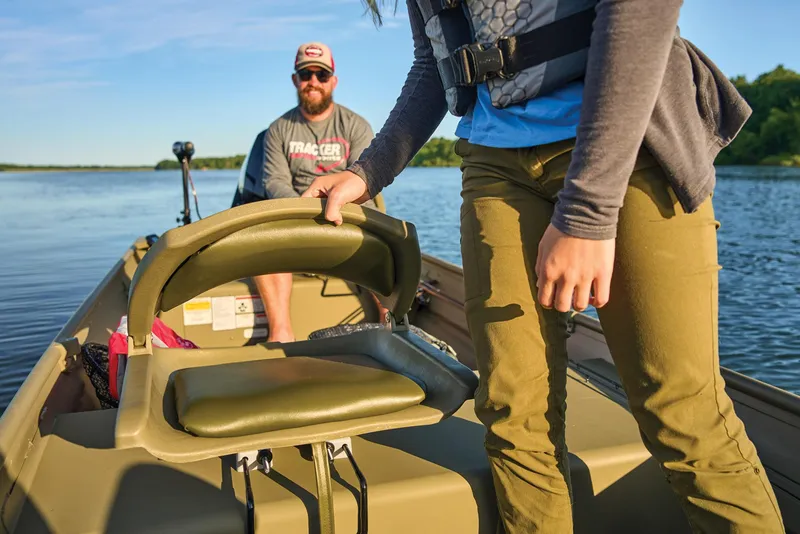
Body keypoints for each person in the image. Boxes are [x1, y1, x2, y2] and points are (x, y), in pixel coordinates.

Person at [301, 1, 786, 533]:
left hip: (630, 145)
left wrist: (587, 214)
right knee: (515, 412)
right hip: (496, 165)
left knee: (681, 413)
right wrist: (368, 171)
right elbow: (432, 63)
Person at [256, 42, 381, 343]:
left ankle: (389, 326)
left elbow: (363, 180)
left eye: (321, 75)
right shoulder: (278, 130)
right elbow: (274, 182)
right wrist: (305, 210)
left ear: (333, 81)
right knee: (262, 247)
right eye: (306, 74)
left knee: (385, 245)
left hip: (348, 219)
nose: (313, 81)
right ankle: (281, 334)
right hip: (297, 220)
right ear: (295, 80)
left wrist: (332, 205)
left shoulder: (356, 126)